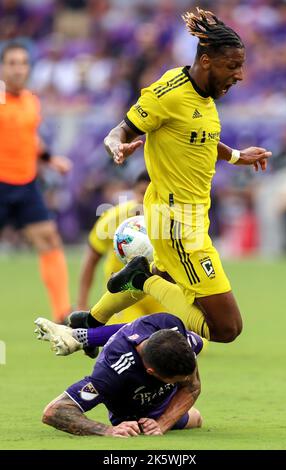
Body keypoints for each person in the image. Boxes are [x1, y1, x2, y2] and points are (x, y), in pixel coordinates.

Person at [100, 7, 272, 343]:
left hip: (190, 220)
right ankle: (142, 280)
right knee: (225, 329)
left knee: (171, 294)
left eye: (241, 67)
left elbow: (199, 138)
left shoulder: (205, 95)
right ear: (206, 61)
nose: (239, 76)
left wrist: (238, 156)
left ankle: (89, 326)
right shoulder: (168, 93)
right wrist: (116, 146)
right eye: (232, 66)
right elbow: (120, 130)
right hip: (177, 222)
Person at [38, 313, 203, 437]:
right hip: (133, 412)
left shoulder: (172, 326)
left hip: (160, 395)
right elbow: (54, 411)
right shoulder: (112, 372)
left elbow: (192, 388)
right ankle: (84, 336)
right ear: (150, 372)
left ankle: (84, 337)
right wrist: (108, 431)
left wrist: (162, 424)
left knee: (197, 419)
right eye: (178, 380)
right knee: (193, 418)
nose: (189, 381)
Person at [0, 43, 72, 322]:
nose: (18, 68)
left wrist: (51, 158)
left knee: (50, 239)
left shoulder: (31, 100)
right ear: (3, 68)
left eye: (23, 63)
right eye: (12, 63)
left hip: (25, 183)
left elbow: (30, 138)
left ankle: (63, 313)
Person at [77, 170, 163, 325]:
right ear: (133, 192)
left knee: (183, 343)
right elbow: (91, 260)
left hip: (161, 294)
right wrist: (82, 304)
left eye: (152, 194)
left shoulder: (170, 219)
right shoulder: (114, 218)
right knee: (133, 342)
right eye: (142, 193)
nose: (145, 200)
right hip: (125, 295)